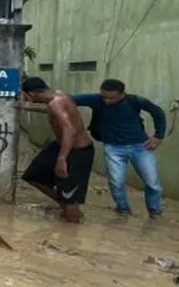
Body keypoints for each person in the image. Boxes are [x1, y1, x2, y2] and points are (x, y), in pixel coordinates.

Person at [71, 79, 166, 217]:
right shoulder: (96, 100)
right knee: (116, 183)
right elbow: (67, 99)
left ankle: (155, 211)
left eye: (111, 98)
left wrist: (158, 136)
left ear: (122, 94)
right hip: (113, 148)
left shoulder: (135, 101)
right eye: (104, 97)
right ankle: (123, 211)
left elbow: (158, 112)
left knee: (152, 183)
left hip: (141, 147)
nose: (106, 101)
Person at [18, 77, 96, 223]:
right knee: (33, 175)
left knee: (69, 195)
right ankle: (66, 206)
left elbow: (70, 130)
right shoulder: (57, 97)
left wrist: (62, 159)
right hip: (60, 145)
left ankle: (71, 230)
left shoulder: (56, 104)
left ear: (32, 94)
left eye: (26, 97)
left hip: (77, 150)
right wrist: (24, 107)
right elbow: (50, 111)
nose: (26, 99)